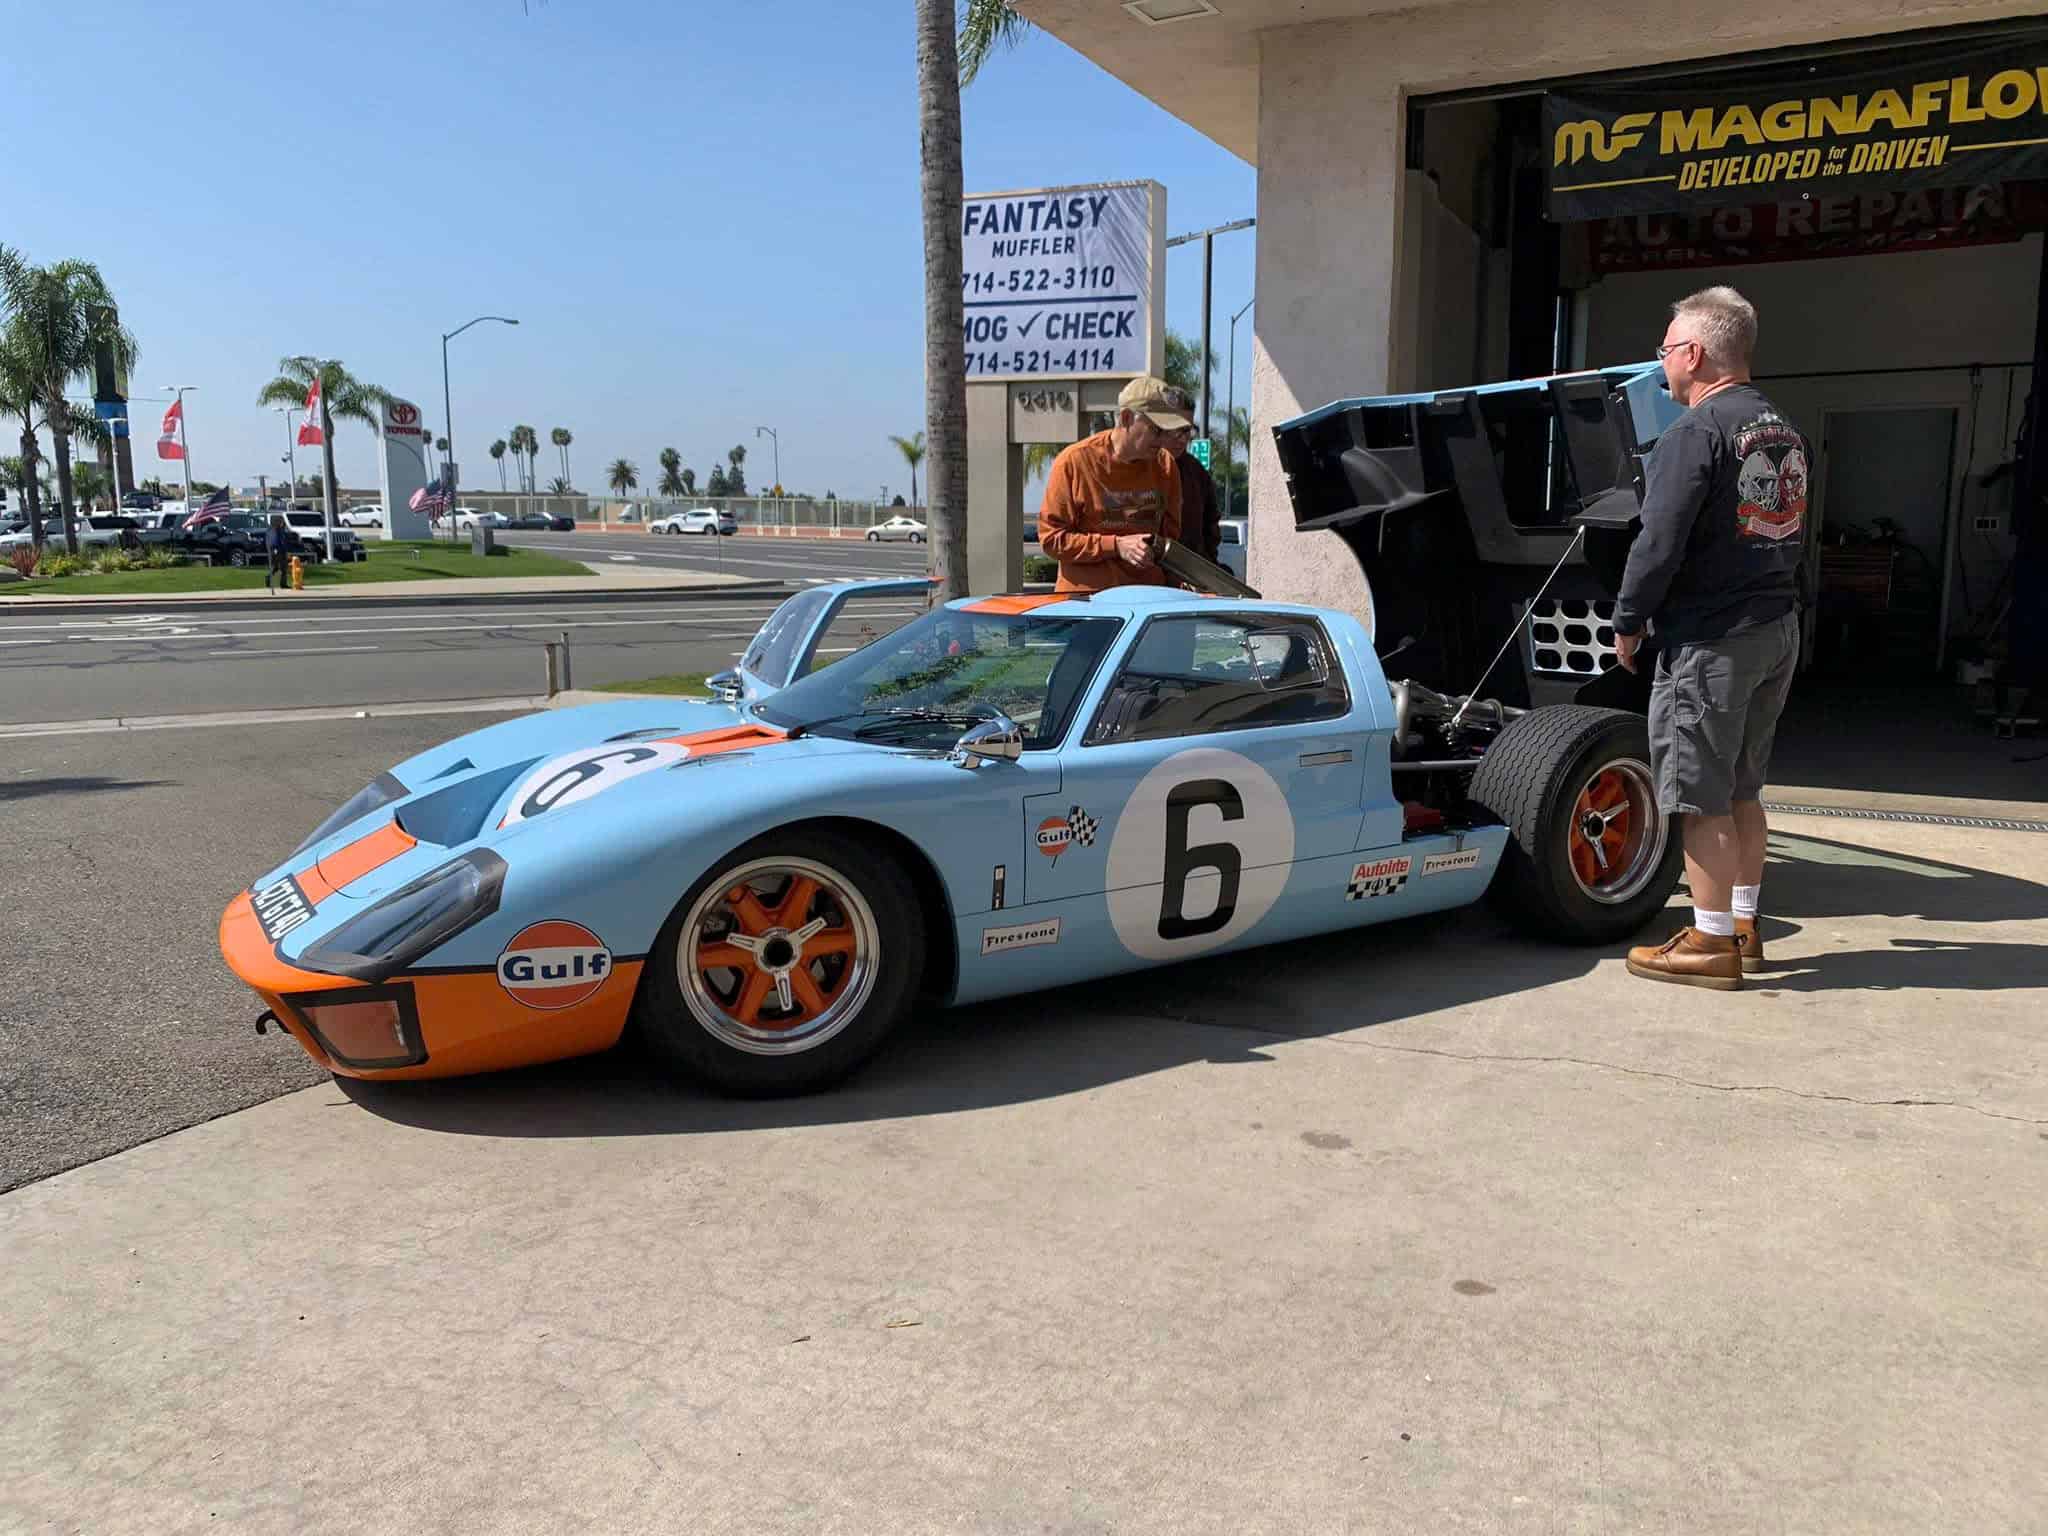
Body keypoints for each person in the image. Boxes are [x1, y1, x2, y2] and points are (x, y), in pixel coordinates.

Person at [1614, 285, 1806, 990]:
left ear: (1693, 353)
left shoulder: (1694, 433)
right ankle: (1745, 925)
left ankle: (1711, 942)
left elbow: (1658, 542)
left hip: (1715, 640)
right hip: (1775, 628)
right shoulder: (1781, 427)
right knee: (1745, 788)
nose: (1662, 363)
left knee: (1702, 799)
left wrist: (1629, 620)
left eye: (1665, 350)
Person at [1037, 376, 1187, 593]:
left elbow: (1170, 540)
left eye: (1167, 432)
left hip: (1147, 603)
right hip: (1087, 606)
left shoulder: (1165, 465)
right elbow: (1052, 540)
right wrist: (1116, 546)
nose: (1163, 440)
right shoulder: (1074, 462)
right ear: (1126, 418)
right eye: (1156, 430)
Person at [1159, 385, 1221, 564]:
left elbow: (1211, 528)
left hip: (1189, 578)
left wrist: (1206, 564)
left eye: (1187, 430)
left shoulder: (1196, 473)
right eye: (1175, 428)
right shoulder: (1139, 466)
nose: (1182, 438)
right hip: (1146, 580)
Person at [265, 513, 290, 594]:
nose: (282, 522)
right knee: (283, 568)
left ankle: (269, 578)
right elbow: (277, 541)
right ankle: (282, 583)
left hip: (274, 550)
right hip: (279, 550)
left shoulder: (270, 530)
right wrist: (281, 550)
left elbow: (268, 541)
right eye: (281, 521)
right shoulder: (277, 530)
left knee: (276, 567)